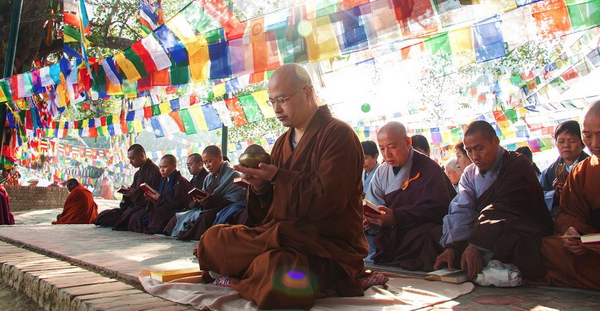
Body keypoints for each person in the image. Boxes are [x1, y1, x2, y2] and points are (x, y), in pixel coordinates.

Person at [197, 64, 367, 309]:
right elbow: (269, 211)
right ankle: (245, 270)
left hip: (326, 246)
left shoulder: (339, 135)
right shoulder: (281, 143)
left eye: (283, 100)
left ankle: (238, 273)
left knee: (279, 267)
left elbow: (328, 199)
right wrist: (260, 187)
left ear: (308, 93)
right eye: (272, 101)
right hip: (280, 235)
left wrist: (278, 177)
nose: (276, 109)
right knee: (213, 237)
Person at [434, 120, 553, 280]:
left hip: (518, 228)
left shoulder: (517, 164)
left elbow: (504, 207)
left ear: (495, 142)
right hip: (483, 231)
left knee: (508, 242)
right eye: (469, 151)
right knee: (438, 238)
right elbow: (461, 208)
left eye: (479, 148)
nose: (475, 156)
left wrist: (476, 244)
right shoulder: (469, 173)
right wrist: (452, 246)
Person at [365, 122, 455, 270]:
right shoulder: (382, 172)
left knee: (432, 234)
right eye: (382, 148)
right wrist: (370, 218)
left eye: (392, 147)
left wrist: (397, 217)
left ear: (408, 143)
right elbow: (373, 204)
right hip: (390, 233)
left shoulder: (429, 168)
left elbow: (438, 209)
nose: (387, 154)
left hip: (417, 231)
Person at [535, 101, 600, 291]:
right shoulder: (582, 171)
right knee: (546, 246)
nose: (594, 144)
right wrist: (574, 234)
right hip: (592, 248)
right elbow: (567, 214)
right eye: (588, 135)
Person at [168, 147, 243, 240]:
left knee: (205, 217)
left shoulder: (233, 175)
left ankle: (189, 236)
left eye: (209, 161)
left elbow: (234, 199)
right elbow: (205, 194)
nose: (207, 165)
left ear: (220, 158)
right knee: (178, 217)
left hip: (224, 209)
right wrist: (199, 200)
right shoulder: (209, 177)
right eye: (205, 163)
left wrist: (210, 199)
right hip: (208, 207)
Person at [94, 144, 161, 229]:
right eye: (129, 159)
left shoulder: (154, 171)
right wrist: (128, 193)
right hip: (132, 205)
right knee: (102, 217)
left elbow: (152, 195)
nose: (130, 162)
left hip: (144, 207)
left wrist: (134, 194)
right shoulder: (138, 173)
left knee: (125, 220)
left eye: (132, 158)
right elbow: (134, 190)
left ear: (141, 155)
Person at [128, 154, 191, 234]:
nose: (162, 170)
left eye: (165, 167)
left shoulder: (180, 182)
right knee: (136, 216)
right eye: (160, 167)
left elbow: (179, 204)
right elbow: (160, 198)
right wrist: (153, 199)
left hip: (173, 211)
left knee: (156, 214)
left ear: (174, 166)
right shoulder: (164, 181)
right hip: (161, 208)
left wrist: (159, 198)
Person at [539, 120, 589, 219]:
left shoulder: (592, 166)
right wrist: (555, 195)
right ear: (556, 144)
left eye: (572, 141)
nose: (566, 145)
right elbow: (539, 199)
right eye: (561, 141)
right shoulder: (548, 173)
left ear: (583, 143)